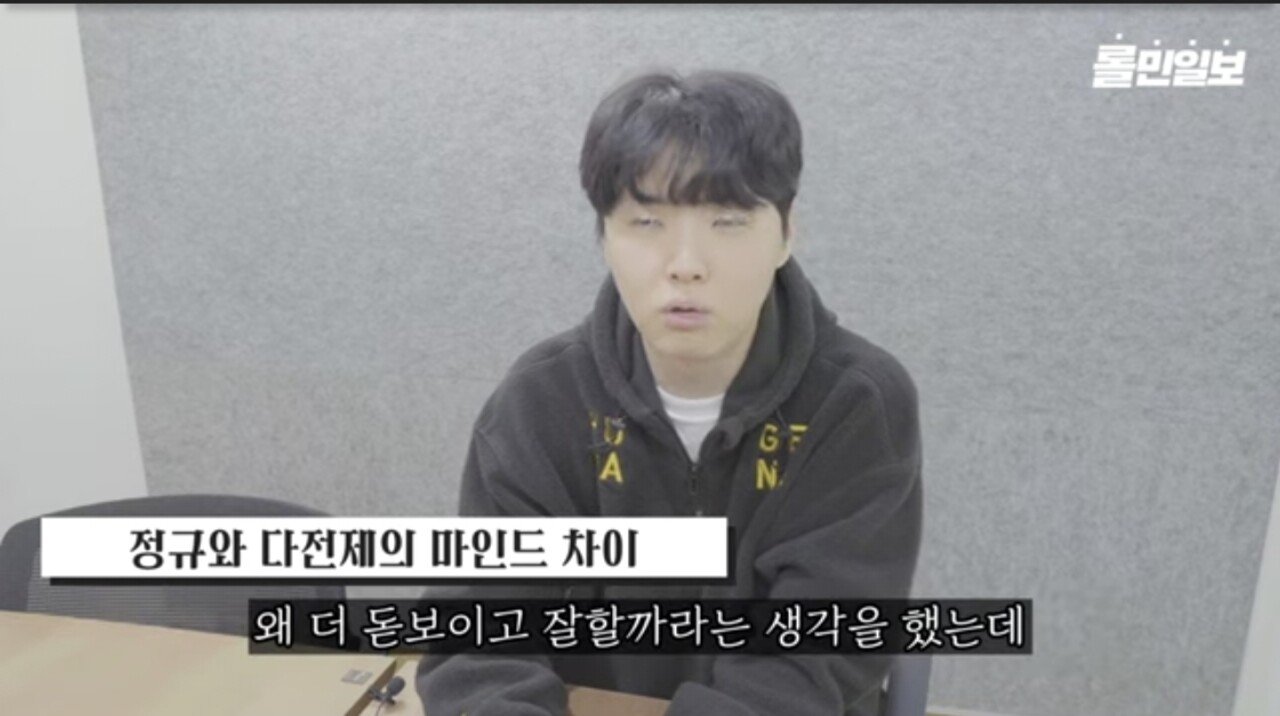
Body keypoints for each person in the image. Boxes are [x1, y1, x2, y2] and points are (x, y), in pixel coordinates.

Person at [416, 68, 923, 716]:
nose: (686, 264)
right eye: (648, 221)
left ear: (786, 233)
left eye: (727, 221)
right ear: (604, 236)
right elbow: (477, 637)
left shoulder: (854, 405)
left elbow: (811, 656)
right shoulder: (538, 405)